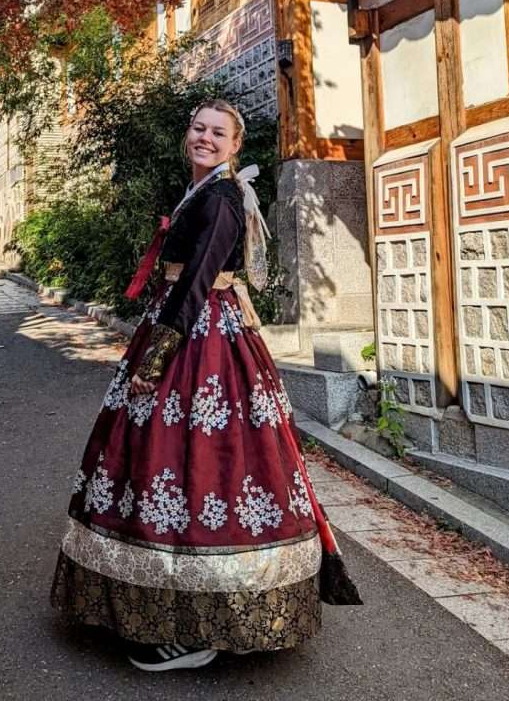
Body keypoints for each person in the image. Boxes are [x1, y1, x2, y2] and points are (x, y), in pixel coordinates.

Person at [51, 99, 359, 672]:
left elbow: (196, 283)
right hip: (187, 321)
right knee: (164, 463)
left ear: (235, 145)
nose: (205, 138)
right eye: (198, 127)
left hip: (200, 336)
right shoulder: (203, 191)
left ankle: (200, 629)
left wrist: (155, 363)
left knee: (204, 464)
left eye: (219, 133)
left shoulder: (220, 197)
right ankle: (173, 609)